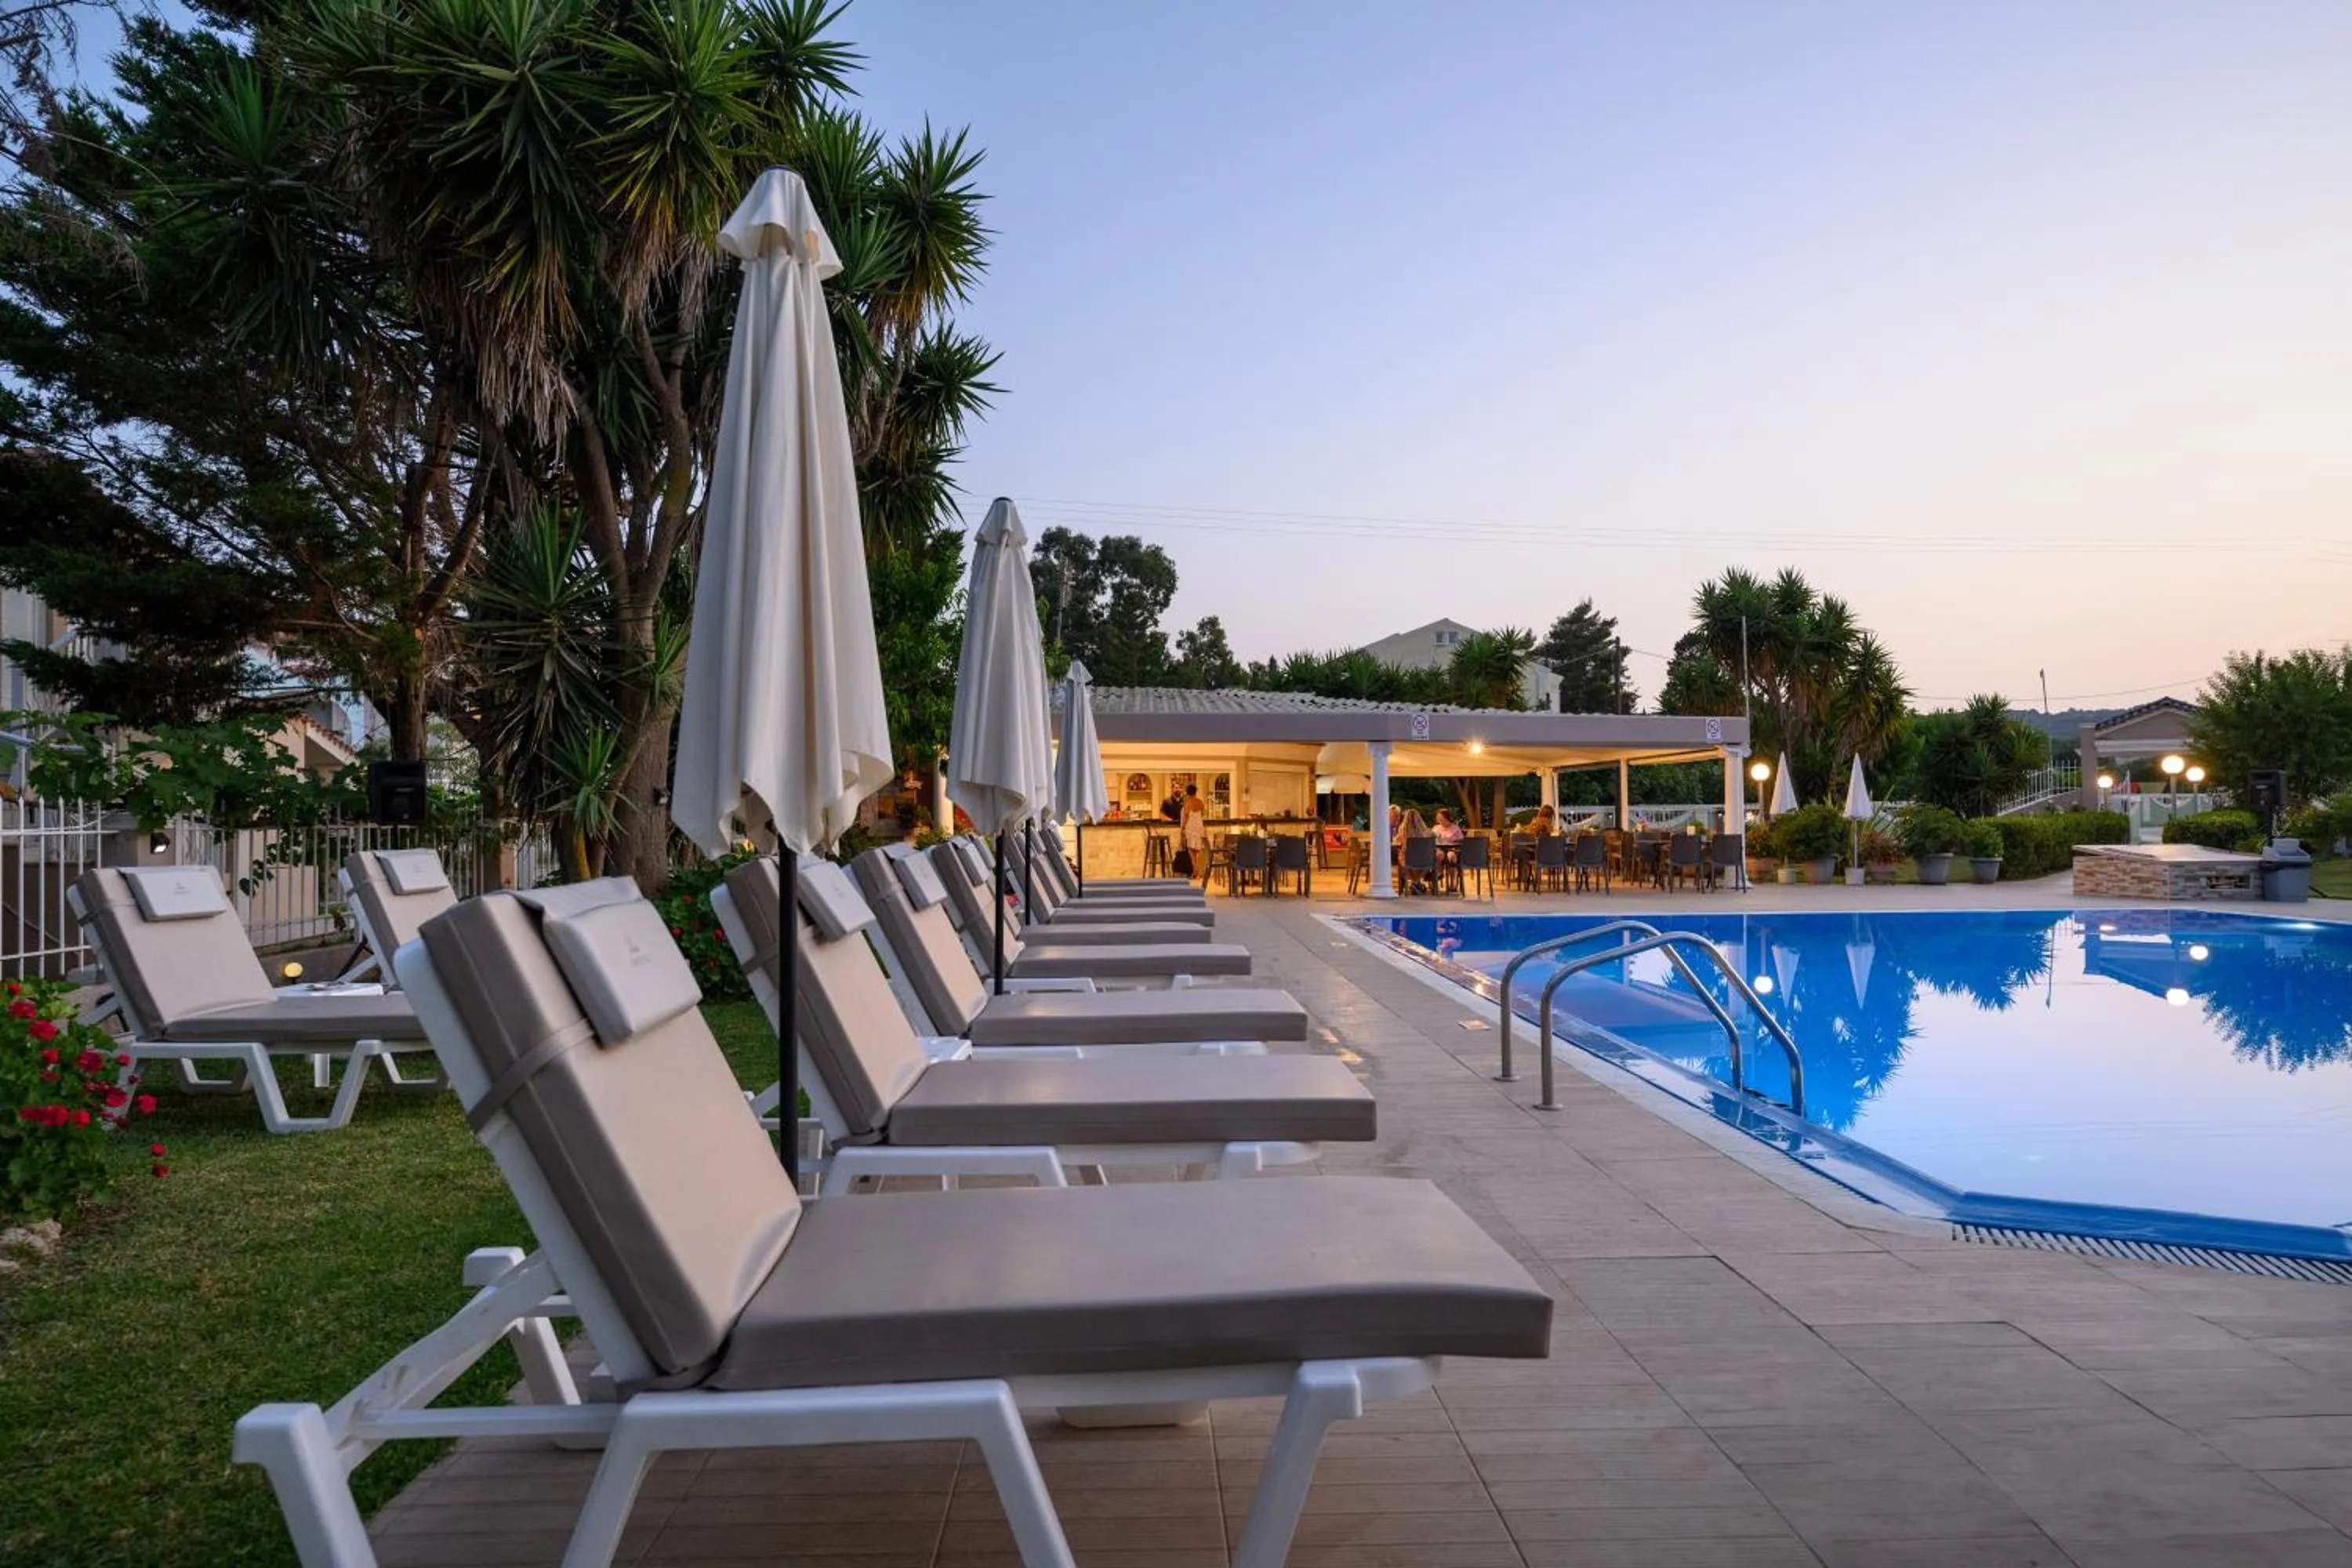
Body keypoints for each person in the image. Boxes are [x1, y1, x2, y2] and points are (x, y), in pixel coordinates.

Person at [1179, 784, 1208, 883]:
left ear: (1187, 792)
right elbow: (1203, 814)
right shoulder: (1200, 802)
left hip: (1191, 827)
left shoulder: (1188, 803)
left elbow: (1186, 817)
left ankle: (1195, 872)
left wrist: (1182, 829)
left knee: (1192, 850)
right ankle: (1199, 872)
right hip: (1199, 826)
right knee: (1199, 850)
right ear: (1196, 792)